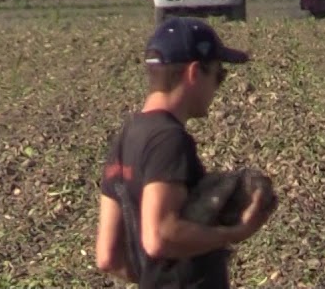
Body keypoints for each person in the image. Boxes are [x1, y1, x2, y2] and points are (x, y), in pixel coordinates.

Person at [95, 16, 275, 288]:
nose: (218, 86)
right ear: (193, 73)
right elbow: (160, 236)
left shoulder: (126, 136)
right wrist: (235, 232)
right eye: (218, 74)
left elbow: (107, 256)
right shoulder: (169, 140)